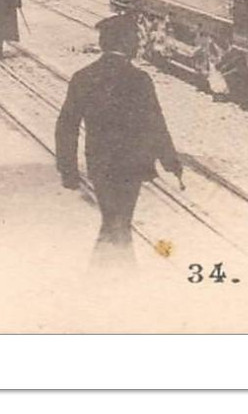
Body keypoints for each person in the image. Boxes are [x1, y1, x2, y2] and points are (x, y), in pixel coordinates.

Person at [56, 14, 184, 264]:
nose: (138, 44)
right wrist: (171, 163)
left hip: (100, 164)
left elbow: (66, 126)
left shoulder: (84, 77)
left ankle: (108, 277)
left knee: (114, 221)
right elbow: (156, 124)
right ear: (124, 43)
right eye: (135, 39)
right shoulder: (140, 80)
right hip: (133, 166)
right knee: (119, 222)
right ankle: (116, 280)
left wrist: (68, 169)